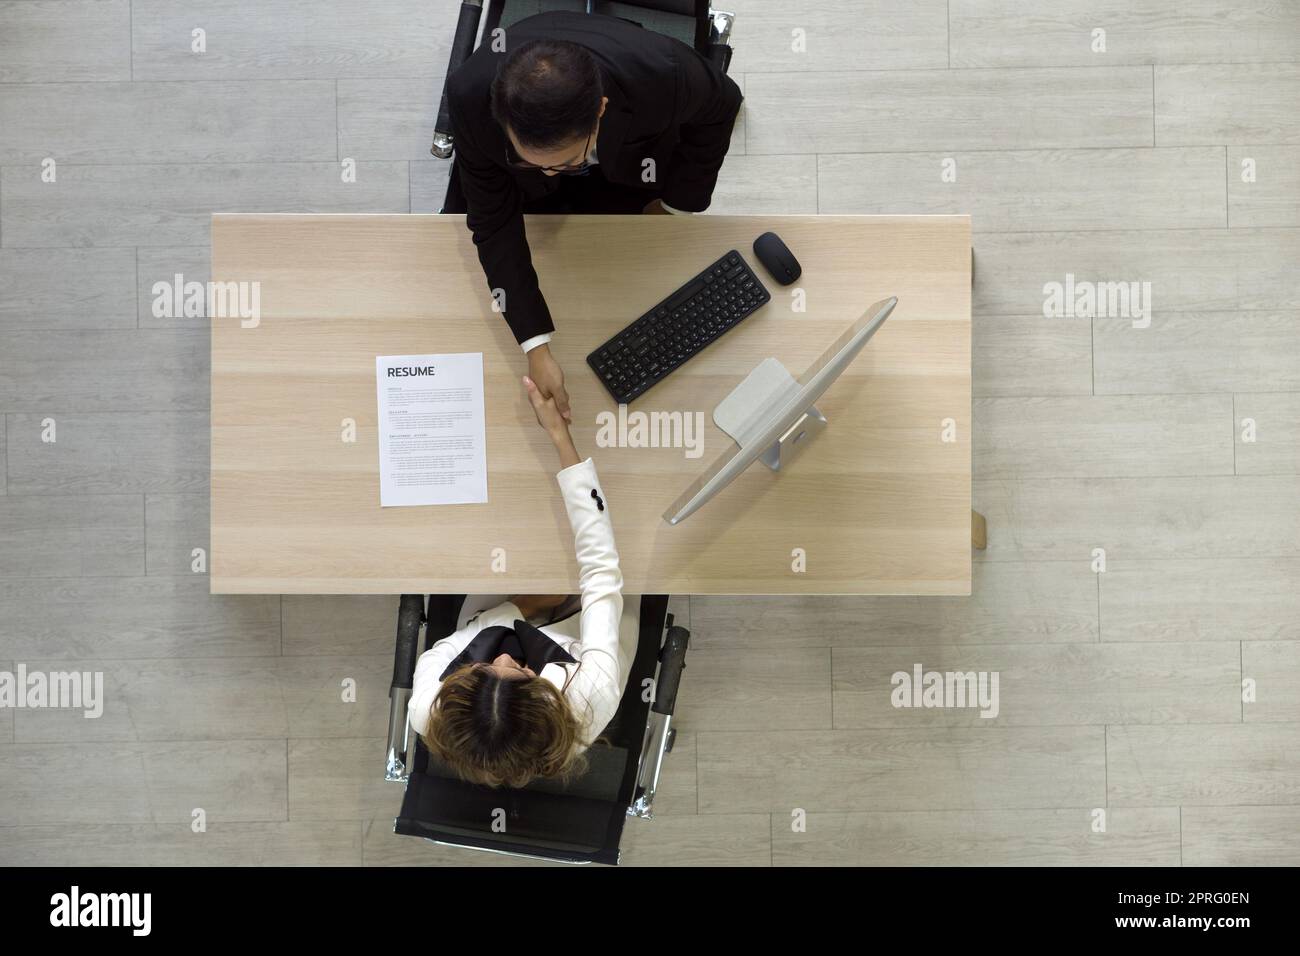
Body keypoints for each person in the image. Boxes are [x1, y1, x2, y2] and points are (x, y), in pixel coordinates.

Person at [445, 10, 744, 423]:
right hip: (517, 185)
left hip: (632, 163)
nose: (551, 172)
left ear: (600, 109)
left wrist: (675, 204)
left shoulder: (664, 74)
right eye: (533, 159)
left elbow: (723, 105)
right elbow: (494, 222)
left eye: (563, 163)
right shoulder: (469, 94)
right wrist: (535, 343)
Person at [407, 373, 640, 788]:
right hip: (583, 624)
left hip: (500, 612)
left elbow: (454, 644)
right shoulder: (590, 698)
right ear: (542, 697)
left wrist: (527, 605)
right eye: (516, 672)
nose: (501, 659)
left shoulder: (430, 709)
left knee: (499, 511)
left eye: (481, 670)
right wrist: (560, 437)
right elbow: (602, 576)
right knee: (627, 520)